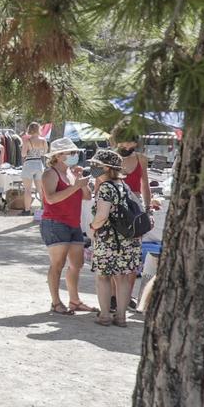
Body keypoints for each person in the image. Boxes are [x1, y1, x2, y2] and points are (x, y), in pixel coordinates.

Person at [84, 148, 140, 326]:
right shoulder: (124, 185)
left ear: (107, 168)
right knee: (122, 277)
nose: (93, 168)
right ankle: (121, 317)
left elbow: (102, 215)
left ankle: (105, 315)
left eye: (97, 165)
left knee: (103, 276)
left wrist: (92, 227)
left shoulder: (106, 187)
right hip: (127, 240)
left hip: (109, 240)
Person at [38, 136, 93, 315]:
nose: (74, 155)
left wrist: (79, 182)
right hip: (55, 222)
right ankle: (56, 302)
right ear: (60, 155)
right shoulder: (49, 173)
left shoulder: (71, 173)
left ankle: (74, 301)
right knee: (58, 264)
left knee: (77, 263)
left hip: (72, 223)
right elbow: (51, 199)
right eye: (72, 152)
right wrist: (75, 187)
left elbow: (87, 196)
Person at [114, 123, 152, 211]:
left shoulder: (141, 159)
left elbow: (145, 184)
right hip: (113, 206)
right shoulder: (107, 158)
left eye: (130, 147)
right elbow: (99, 187)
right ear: (117, 142)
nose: (127, 149)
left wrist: (148, 208)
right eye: (123, 147)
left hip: (136, 205)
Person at [20, 127, 48, 210]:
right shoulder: (43, 140)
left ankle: (27, 210)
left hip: (29, 163)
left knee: (28, 189)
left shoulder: (27, 140)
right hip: (39, 163)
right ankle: (44, 208)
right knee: (40, 189)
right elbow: (45, 152)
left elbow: (23, 154)